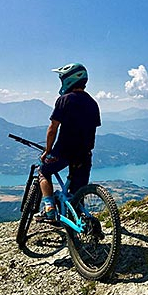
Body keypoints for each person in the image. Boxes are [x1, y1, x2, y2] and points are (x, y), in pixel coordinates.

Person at [35, 63, 101, 222]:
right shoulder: (93, 103)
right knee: (77, 195)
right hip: (84, 154)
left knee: (43, 171)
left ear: (68, 80)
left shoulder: (64, 100)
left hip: (64, 152)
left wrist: (48, 150)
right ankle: (79, 231)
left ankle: (49, 207)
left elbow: (53, 128)